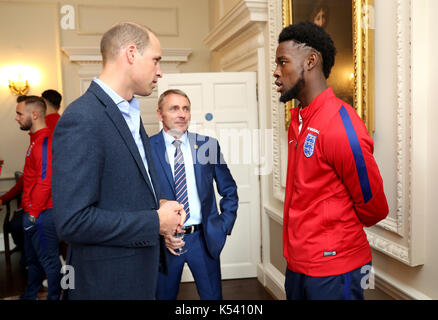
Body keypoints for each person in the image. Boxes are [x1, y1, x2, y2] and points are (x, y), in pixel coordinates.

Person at [51, 22, 185, 300]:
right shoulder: (82, 118)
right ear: (132, 53)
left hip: (138, 276)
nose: (160, 71)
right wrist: (154, 222)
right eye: (156, 60)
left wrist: (158, 204)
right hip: (106, 283)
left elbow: (122, 188)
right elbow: (72, 221)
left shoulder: (130, 114)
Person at [273, 21, 388, 300]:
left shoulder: (340, 124)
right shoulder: (297, 120)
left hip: (336, 268)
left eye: (283, 62)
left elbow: (374, 208)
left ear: (311, 61)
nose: (276, 72)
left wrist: (332, 229)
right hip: (299, 262)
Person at [150, 89, 238, 300]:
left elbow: (229, 190)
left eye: (186, 109)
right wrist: (159, 229)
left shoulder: (208, 146)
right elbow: (139, 197)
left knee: (212, 298)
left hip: (203, 239)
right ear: (160, 114)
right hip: (165, 243)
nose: (182, 114)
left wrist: (222, 226)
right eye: (174, 109)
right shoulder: (146, 148)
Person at [14, 95, 61, 300]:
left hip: (42, 214)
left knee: (50, 262)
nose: (16, 118)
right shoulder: (35, 140)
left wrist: (32, 214)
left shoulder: (44, 141)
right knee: (32, 261)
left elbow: (45, 180)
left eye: (19, 113)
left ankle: (55, 297)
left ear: (34, 114)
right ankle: (30, 295)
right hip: (32, 211)